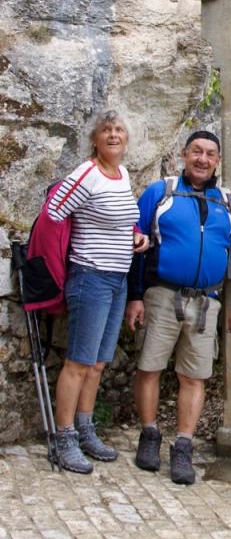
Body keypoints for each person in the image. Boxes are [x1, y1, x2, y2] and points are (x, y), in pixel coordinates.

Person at [126, 130, 231, 485]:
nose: (202, 159)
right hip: (161, 296)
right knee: (149, 367)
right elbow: (135, 244)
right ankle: (149, 434)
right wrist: (134, 296)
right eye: (196, 151)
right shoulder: (160, 193)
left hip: (206, 301)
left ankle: (183, 446)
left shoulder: (227, 202)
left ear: (217, 161)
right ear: (184, 154)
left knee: (194, 375)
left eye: (210, 154)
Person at [47, 110, 148, 473]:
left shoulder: (121, 174)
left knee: (99, 363)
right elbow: (55, 211)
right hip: (90, 277)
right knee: (78, 362)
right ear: (94, 138)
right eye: (106, 130)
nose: (113, 135)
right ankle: (64, 438)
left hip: (117, 280)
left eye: (119, 130)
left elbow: (121, 221)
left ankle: (86, 430)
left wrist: (138, 237)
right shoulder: (87, 173)